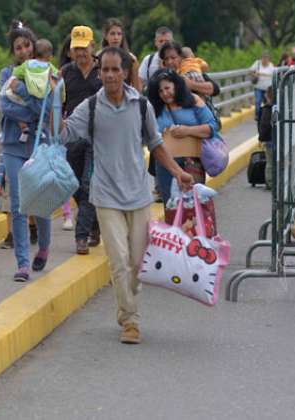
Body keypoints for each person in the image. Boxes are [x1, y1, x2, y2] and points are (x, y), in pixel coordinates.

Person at [61, 47, 194, 344]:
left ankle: (128, 303)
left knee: (137, 261)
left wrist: (177, 172)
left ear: (124, 72)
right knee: (119, 260)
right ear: (99, 74)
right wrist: (51, 104)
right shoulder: (91, 107)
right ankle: (130, 320)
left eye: (114, 70)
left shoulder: (141, 105)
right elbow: (65, 134)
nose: (109, 75)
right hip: (105, 194)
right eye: (104, 70)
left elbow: (157, 145)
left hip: (138, 193)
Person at [0, 20, 52, 282]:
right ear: (13, 51)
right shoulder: (6, 74)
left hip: (38, 144)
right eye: (17, 47)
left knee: (39, 201)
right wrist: (31, 112)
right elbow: (5, 106)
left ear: (33, 46)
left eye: (26, 45)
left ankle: (43, 246)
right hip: (12, 146)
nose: (22, 50)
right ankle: (22, 263)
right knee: (18, 205)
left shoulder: (45, 71)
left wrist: (27, 102)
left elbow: (48, 105)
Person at [60, 25, 104, 254]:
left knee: (88, 184)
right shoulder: (65, 73)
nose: (81, 53)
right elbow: (58, 105)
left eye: (84, 48)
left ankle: (81, 236)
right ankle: (94, 222)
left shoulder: (103, 71)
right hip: (72, 136)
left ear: (92, 46)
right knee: (73, 183)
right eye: (76, 49)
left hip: (98, 137)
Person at [147, 68, 219, 202]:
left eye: (167, 88)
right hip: (165, 166)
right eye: (160, 91)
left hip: (192, 162)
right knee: (171, 207)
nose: (164, 93)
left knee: (194, 207)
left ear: (176, 84)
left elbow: (212, 127)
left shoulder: (193, 100)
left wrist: (187, 130)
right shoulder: (155, 109)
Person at [6, 38, 60, 143]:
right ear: (50, 57)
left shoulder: (27, 65)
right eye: (18, 48)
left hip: (30, 91)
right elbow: (57, 75)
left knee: (13, 98)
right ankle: (40, 128)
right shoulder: (49, 66)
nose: (24, 51)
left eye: (27, 46)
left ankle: (23, 127)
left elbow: (15, 72)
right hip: (43, 94)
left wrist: (17, 83)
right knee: (45, 110)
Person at [100, 18, 141, 92]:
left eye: (119, 34)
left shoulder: (132, 59)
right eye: (112, 34)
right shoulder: (98, 58)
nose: (116, 37)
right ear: (106, 36)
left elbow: (136, 88)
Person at [249, 51, 275, 121]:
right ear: (261, 58)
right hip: (259, 87)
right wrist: (255, 74)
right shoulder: (257, 63)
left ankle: (268, 115)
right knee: (258, 101)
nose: (264, 60)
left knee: (268, 103)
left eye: (266, 58)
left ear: (268, 59)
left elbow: (273, 74)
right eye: (263, 58)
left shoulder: (271, 66)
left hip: (268, 88)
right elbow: (250, 71)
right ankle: (257, 115)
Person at [257, 86, 274, 190]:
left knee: (270, 162)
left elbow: (264, 125)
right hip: (280, 140)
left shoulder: (267, 109)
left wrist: (261, 138)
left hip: (269, 140)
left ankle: (270, 182)